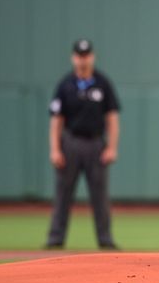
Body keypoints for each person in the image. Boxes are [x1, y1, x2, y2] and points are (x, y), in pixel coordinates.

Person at [46, 40, 120, 250]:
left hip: (96, 144)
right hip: (71, 142)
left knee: (99, 196)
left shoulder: (102, 83)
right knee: (63, 194)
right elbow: (56, 120)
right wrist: (55, 149)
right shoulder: (65, 85)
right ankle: (55, 239)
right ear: (73, 58)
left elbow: (112, 118)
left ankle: (105, 239)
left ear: (92, 57)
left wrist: (112, 147)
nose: (83, 59)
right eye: (79, 55)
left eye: (86, 55)